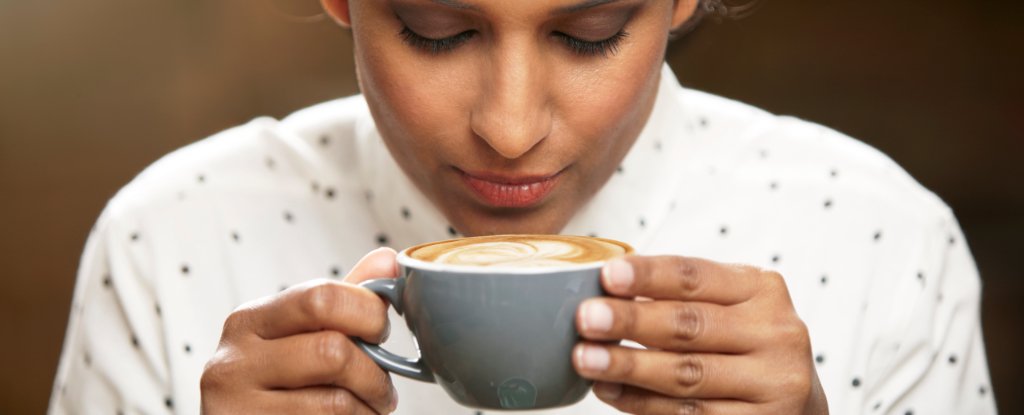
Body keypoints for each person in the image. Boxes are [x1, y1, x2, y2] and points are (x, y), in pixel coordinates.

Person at [49, 0, 997, 414]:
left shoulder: (885, 240)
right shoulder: (164, 238)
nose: (508, 128)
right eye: (436, 29)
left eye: (589, 35)